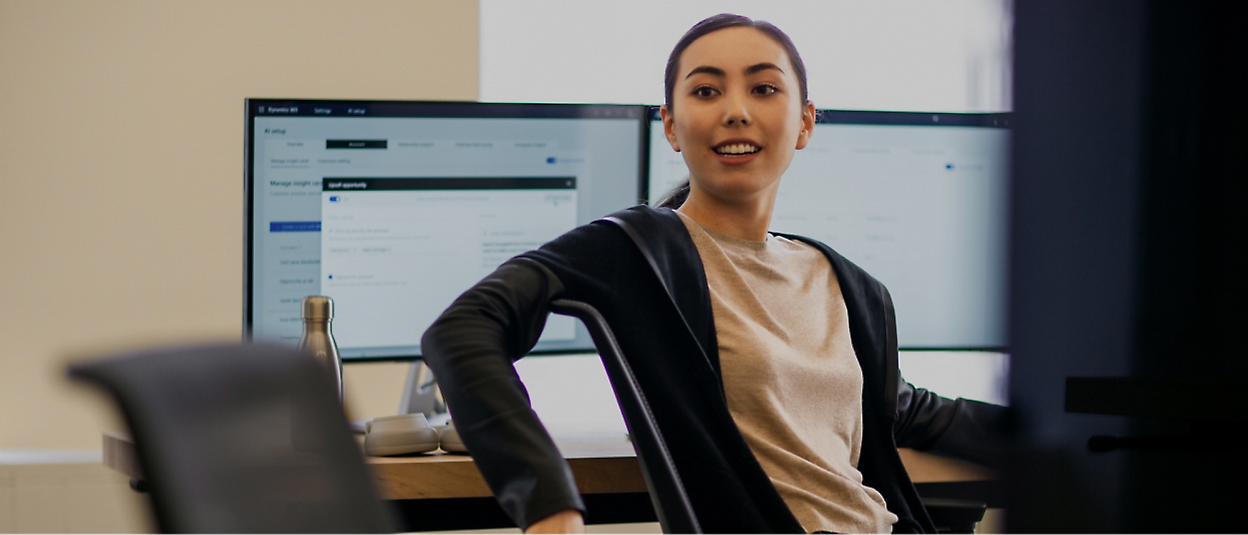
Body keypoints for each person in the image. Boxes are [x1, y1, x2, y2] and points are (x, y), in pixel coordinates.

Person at [422, 13, 1006, 535]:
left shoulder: (848, 285)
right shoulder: (639, 251)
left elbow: (900, 409)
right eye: (706, 90)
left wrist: (1074, 432)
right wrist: (548, 500)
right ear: (671, 126)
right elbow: (463, 330)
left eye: (764, 88)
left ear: (804, 123)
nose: (735, 110)